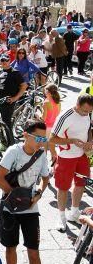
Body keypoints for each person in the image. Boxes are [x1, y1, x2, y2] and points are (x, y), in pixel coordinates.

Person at [0, 119, 50, 264]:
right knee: (10, 248)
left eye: (45, 138)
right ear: (26, 134)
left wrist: (39, 194)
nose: (42, 142)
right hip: (10, 207)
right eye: (39, 138)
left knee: (34, 252)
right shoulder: (13, 152)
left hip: (31, 210)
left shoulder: (42, 154)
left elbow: (45, 178)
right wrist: (14, 195)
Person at [49, 94, 93, 231]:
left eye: (89, 112)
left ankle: (74, 213)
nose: (86, 114)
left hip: (82, 156)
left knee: (81, 184)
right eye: (85, 111)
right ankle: (61, 217)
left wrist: (90, 142)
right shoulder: (65, 116)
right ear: (77, 105)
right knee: (63, 188)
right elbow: (52, 139)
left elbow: (89, 129)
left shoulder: (88, 113)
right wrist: (72, 141)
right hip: (66, 156)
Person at [42, 84, 61, 165]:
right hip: (54, 128)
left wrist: (37, 116)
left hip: (46, 128)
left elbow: (43, 118)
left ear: (49, 92)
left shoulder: (46, 103)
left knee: (43, 146)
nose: (44, 92)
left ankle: (43, 163)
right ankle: (55, 164)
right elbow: (58, 115)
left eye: (46, 90)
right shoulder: (58, 102)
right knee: (52, 148)